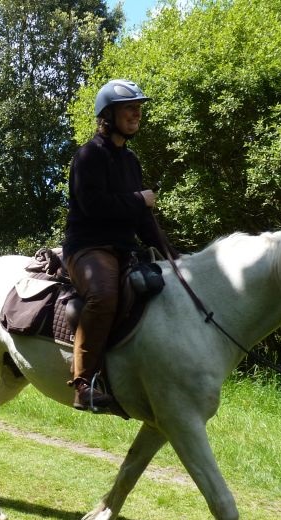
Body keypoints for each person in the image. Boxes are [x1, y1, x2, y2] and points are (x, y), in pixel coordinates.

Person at [62, 79, 178, 413]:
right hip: (88, 248)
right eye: (130, 108)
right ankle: (83, 384)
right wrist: (139, 199)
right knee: (103, 295)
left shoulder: (131, 161)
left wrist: (173, 255)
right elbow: (93, 206)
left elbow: (142, 219)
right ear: (108, 114)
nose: (137, 114)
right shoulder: (88, 155)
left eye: (139, 109)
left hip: (124, 250)